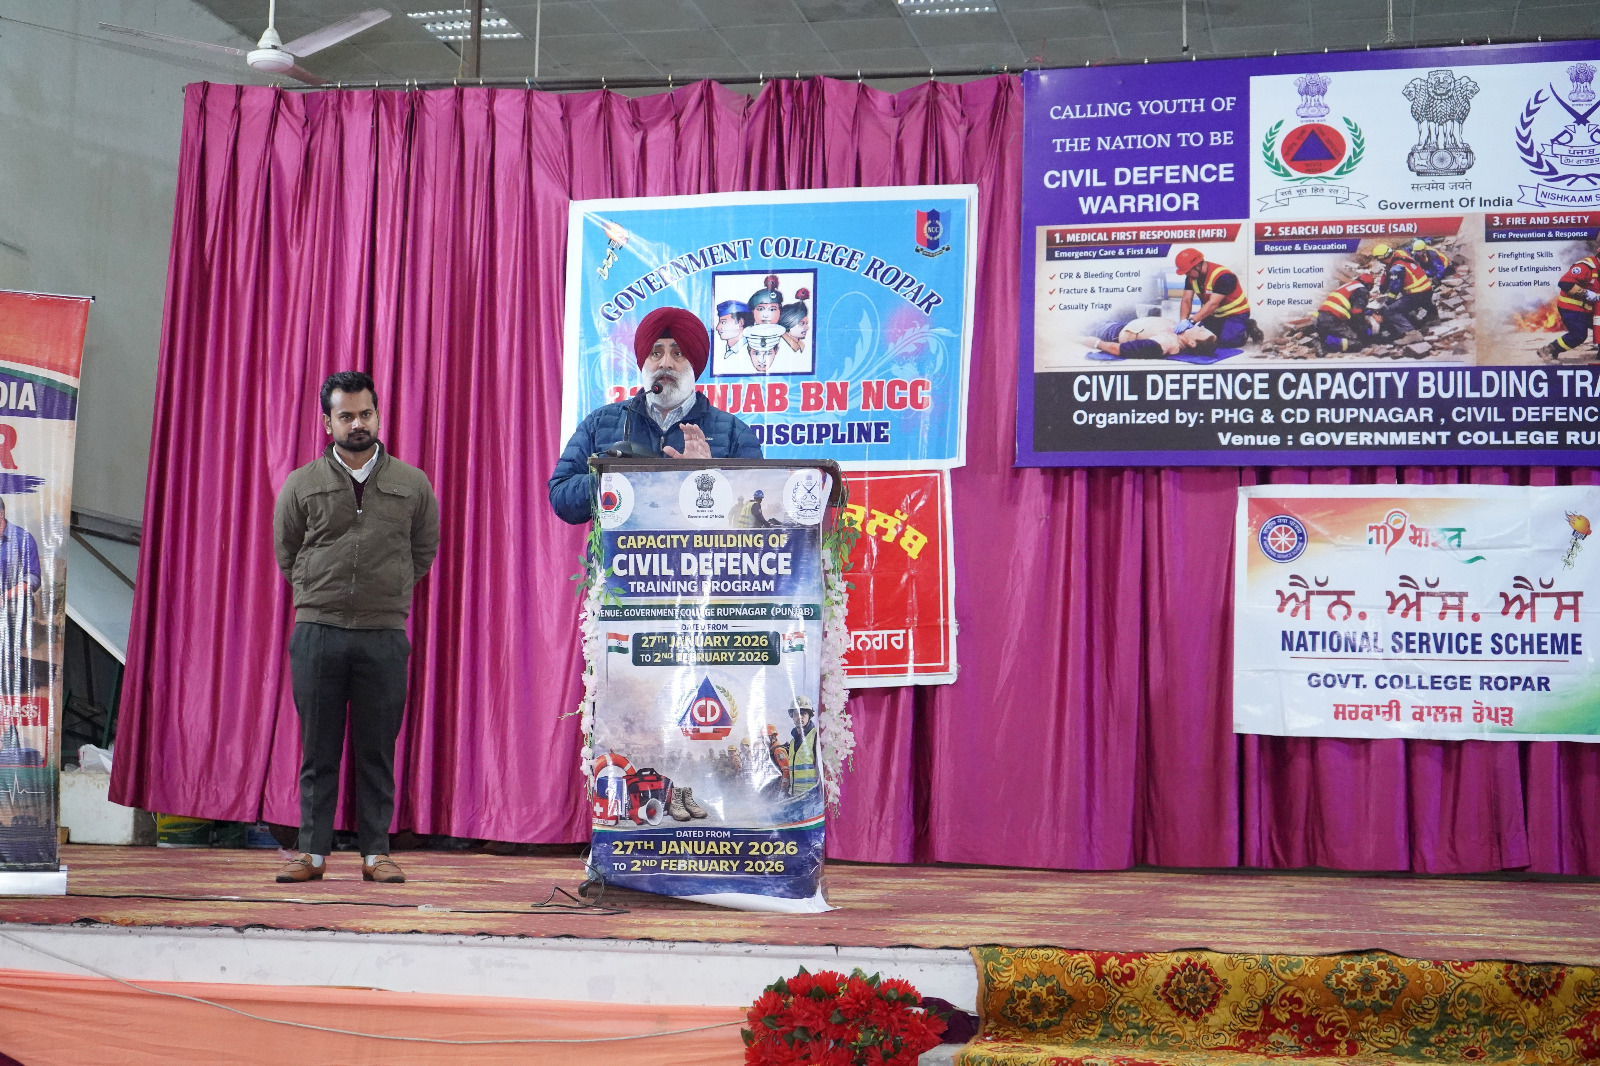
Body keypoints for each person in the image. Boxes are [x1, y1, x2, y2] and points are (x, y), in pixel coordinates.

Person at [272, 371, 440, 885]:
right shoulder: (302, 483)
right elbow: (287, 550)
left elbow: (423, 549)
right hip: (317, 632)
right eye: (346, 416)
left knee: (377, 750)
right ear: (328, 423)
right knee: (318, 750)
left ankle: (376, 854)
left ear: (378, 415)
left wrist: (390, 590)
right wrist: (317, 590)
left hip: (383, 635)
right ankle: (311, 853)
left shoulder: (412, 484)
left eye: (365, 413)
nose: (357, 424)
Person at [549, 306, 763, 524]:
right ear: (644, 361)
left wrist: (709, 475)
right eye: (656, 353)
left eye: (678, 354)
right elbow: (561, 496)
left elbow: (753, 506)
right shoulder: (601, 423)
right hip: (621, 547)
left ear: (694, 364)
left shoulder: (733, 432)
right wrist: (611, 479)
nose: (665, 363)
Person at [1175, 248, 1262, 347]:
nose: (1186, 274)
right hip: (1214, 316)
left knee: (1228, 341)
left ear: (1197, 266)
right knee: (1203, 339)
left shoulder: (1223, 277)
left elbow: (1213, 304)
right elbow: (1186, 300)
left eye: (1187, 271)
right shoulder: (1191, 278)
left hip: (1236, 314)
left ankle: (1248, 326)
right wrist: (1183, 320)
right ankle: (1224, 329)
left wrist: (1192, 321)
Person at [0, 498, 40, 692]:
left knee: (7, 649)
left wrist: (5, 596)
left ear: (1, 514)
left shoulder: (23, 539)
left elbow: (32, 578)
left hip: (14, 605)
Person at [1541, 250, 1600, 362]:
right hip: (1571, 307)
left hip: (1589, 309)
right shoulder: (1586, 266)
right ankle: (1550, 350)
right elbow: (1565, 283)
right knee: (1579, 335)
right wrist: (1585, 293)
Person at [1078, 316, 1219, 360]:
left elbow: (1119, 349)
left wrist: (1094, 343)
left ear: (1192, 343)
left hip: (1111, 332)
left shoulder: (1165, 343)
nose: (1199, 327)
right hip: (1122, 323)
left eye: (1201, 331)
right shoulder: (1180, 332)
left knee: (1081, 322)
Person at [1370, 242, 1436, 332]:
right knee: (1403, 304)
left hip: (1416, 294)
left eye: (1380, 260)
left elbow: (1394, 289)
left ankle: (1410, 332)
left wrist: (1386, 303)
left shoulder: (1396, 268)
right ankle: (1432, 318)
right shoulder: (1401, 253)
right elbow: (1387, 274)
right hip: (1427, 289)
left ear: (1383, 258)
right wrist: (1383, 288)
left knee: (1390, 311)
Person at [1314, 273, 1379, 354]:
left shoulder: (1348, 286)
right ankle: (1327, 343)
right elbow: (1357, 313)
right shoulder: (1362, 290)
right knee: (1357, 343)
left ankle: (1322, 337)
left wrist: (1369, 311)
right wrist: (1364, 331)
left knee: (1343, 333)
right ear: (1369, 286)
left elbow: (1352, 307)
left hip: (1321, 317)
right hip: (1333, 319)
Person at [785, 700, 818, 797]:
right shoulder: (792, 742)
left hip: (811, 795)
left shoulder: (816, 737)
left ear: (810, 715)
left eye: (803, 713)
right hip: (794, 795)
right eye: (796, 713)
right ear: (792, 716)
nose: (799, 717)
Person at [713, 299, 754, 374]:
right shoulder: (724, 351)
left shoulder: (752, 350)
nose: (717, 327)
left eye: (723, 322)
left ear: (740, 322)